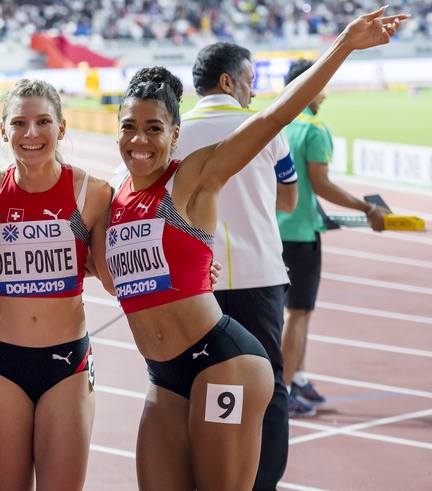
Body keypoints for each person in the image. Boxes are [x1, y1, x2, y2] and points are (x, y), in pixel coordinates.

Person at [97, 8, 408, 489]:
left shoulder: (195, 175)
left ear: (175, 136)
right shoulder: (114, 197)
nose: (139, 139)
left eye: (154, 128)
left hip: (222, 361)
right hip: (163, 373)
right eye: (129, 126)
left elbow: (274, 114)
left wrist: (344, 43)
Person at [170, 42, 297, 490]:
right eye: (250, 79)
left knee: (190, 380)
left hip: (191, 281)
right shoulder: (262, 128)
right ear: (227, 81)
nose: (254, 89)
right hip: (257, 274)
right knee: (267, 385)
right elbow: (289, 197)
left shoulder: (173, 132)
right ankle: (261, 482)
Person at [0, 79, 111, 490]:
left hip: (67, 363)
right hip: (1, 364)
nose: (31, 134)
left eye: (43, 122)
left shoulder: (93, 193)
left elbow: (111, 272)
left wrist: (195, 272)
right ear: (3, 130)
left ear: (62, 128)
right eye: (19, 122)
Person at [277, 58, 390, 418]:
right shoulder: (313, 128)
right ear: (308, 87)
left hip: (274, 231)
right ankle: (285, 390)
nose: (324, 94)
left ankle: (300, 378)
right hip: (301, 234)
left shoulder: (276, 124)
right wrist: (367, 208)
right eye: (321, 85)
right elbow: (321, 183)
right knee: (299, 314)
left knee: (293, 313)